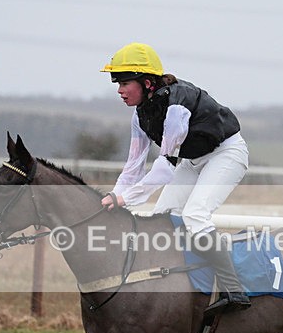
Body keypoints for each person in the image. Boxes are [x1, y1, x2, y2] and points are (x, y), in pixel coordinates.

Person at [100, 42, 250, 317]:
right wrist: (113, 196)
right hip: (193, 161)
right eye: (116, 83)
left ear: (146, 82)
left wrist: (126, 198)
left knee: (194, 215)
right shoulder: (140, 113)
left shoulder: (176, 106)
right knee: (162, 217)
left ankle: (234, 290)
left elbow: (166, 166)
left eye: (123, 82)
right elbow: (133, 166)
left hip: (226, 154)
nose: (119, 90)